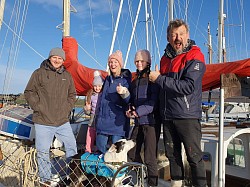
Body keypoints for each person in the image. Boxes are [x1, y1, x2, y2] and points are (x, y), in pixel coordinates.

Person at [149, 19, 207, 187]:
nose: (177, 38)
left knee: (194, 156)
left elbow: (188, 86)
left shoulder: (195, 55)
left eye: (181, 34)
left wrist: (159, 79)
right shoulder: (164, 59)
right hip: (168, 116)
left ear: (187, 36)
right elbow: (161, 89)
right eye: (174, 35)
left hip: (187, 116)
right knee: (172, 155)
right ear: (168, 37)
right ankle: (177, 184)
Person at [24, 48, 77, 186]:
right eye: (55, 57)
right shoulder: (39, 73)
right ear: (50, 58)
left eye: (60, 58)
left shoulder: (67, 75)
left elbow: (72, 95)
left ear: (63, 60)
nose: (57, 60)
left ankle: (69, 175)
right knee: (42, 151)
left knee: (72, 148)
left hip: (62, 121)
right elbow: (29, 92)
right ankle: (45, 180)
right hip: (43, 121)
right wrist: (38, 107)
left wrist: (67, 109)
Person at [127, 49, 159, 187]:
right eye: (137, 61)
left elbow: (153, 103)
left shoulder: (152, 79)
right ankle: (141, 178)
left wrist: (138, 112)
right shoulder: (136, 81)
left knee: (150, 158)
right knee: (131, 152)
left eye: (142, 61)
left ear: (148, 62)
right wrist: (130, 108)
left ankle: (152, 184)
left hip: (151, 123)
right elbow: (133, 100)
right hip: (139, 122)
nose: (139, 63)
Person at [95, 50, 131, 154]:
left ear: (120, 64)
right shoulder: (107, 79)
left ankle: (117, 171)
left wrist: (123, 92)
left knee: (117, 155)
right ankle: (103, 170)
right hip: (103, 123)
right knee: (101, 151)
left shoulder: (125, 80)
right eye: (111, 62)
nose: (113, 64)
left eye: (115, 62)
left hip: (117, 124)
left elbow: (128, 100)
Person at [84, 70, 103, 153]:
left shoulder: (103, 95)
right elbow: (88, 112)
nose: (97, 88)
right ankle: (88, 150)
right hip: (92, 118)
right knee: (90, 135)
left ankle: (99, 150)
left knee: (99, 136)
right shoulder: (90, 95)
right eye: (95, 86)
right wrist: (87, 109)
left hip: (101, 118)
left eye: (99, 86)